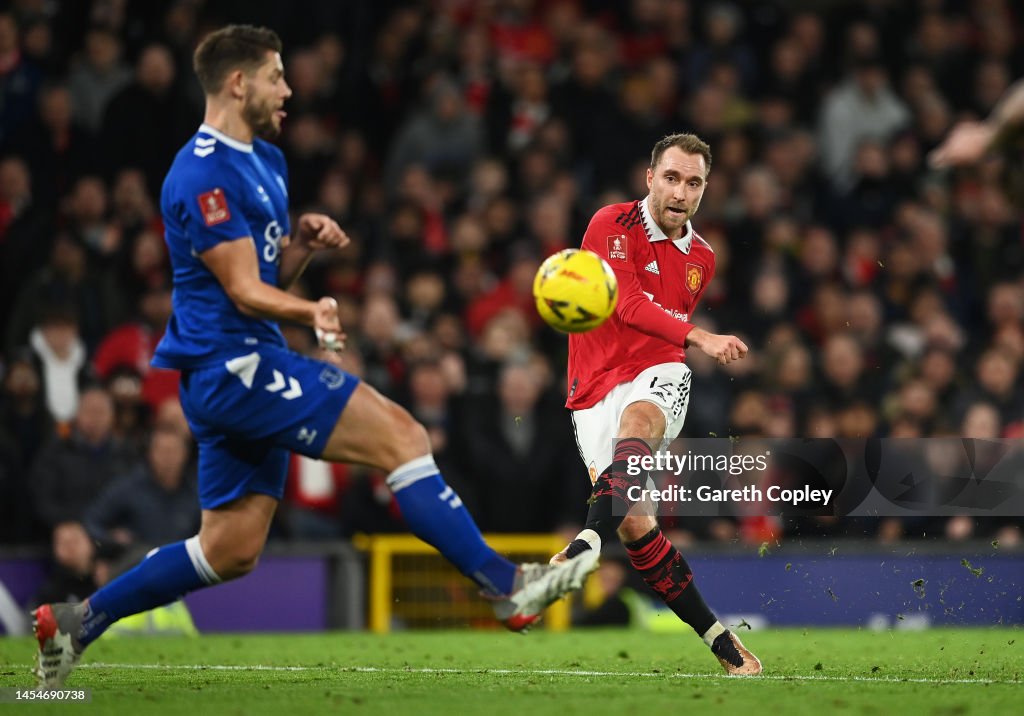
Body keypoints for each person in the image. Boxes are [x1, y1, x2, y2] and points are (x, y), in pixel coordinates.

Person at [33, 24, 597, 690]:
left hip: (236, 368)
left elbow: (260, 275)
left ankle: (77, 624)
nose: (289, 89)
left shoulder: (266, 161)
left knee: (230, 551)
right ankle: (507, 586)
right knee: (404, 437)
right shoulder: (200, 172)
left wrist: (299, 247)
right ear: (238, 82)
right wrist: (313, 311)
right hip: (232, 367)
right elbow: (243, 293)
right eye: (276, 75)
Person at [551, 133, 762, 675]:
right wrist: (703, 337)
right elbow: (625, 303)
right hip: (593, 382)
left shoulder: (703, 259)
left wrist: (687, 344)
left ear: (705, 190)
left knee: (639, 422)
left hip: (659, 371)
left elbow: (660, 331)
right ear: (650, 178)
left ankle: (585, 543)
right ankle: (720, 639)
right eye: (671, 178)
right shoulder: (610, 224)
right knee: (636, 524)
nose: (681, 191)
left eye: (694, 183)